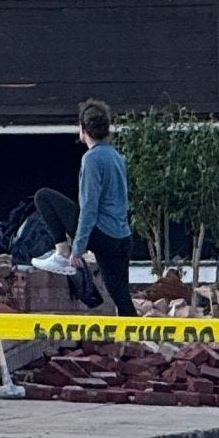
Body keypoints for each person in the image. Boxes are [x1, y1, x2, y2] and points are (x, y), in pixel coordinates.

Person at [65, 98, 137, 317]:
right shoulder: (117, 157)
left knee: (44, 198)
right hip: (122, 237)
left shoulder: (91, 159)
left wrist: (78, 247)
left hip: (102, 235)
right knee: (121, 296)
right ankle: (140, 342)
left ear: (83, 129)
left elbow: (89, 207)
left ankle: (61, 252)